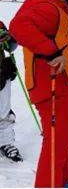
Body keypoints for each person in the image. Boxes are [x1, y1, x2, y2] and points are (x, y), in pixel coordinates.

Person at [10, 0, 68, 187]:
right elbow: (19, 27)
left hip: (67, 87)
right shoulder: (47, 8)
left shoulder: (58, 9)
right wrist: (51, 52)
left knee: (66, 140)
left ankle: (62, 181)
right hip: (53, 89)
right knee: (56, 145)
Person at [0, 22, 22, 162]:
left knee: (3, 112)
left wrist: (8, 39)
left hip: (1, 73)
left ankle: (5, 142)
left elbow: (12, 46)